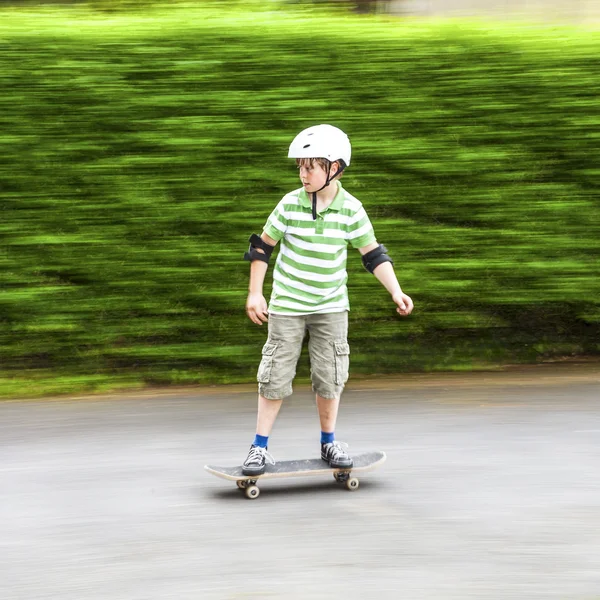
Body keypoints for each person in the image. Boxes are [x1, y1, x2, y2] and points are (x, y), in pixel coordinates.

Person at [242, 124, 413, 476]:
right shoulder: (289, 204)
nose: (303, 174)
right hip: (288, 305)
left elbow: (373, 255)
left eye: (311, 167)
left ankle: (329, 442)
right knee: (274, 376)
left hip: (331, 307)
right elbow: (262, 247)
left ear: (334, 168)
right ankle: (259, 448)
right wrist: (255, 293)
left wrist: (396, 290)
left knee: (330, 375)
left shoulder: (351, 209)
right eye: (300, 167)